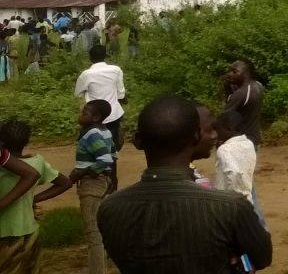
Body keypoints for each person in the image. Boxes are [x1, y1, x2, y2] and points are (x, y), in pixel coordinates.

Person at [98, 95, 272, 273]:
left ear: (138, 141)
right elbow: (261, 257)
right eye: (209, 129)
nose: (213, 135)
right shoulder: (231, 207)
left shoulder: (109, 209)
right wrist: (242, 262)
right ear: (196, 136)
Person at [0, 118, 73, 274]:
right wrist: (35, 198)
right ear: (27, 141)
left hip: (3, 235)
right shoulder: (37, 162)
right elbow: (65, 183)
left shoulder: (4, 167)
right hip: (29, 231)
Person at [69, 100, 115, 274]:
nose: (81, 114)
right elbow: (113, 155)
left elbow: (105, 160)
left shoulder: (92, 134)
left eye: (85, 112)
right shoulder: (105, 131)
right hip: (103, 182)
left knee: (93, 232)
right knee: (101, 227)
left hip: (92, 184)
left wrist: (81, 173)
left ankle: (97, 270)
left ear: (96, 117)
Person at [75, 45, 128, 152]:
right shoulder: (116, 70)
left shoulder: (86, 74)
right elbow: (121, 94)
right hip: (113, 114)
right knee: (112, 148)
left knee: (93, 146)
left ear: (90, 58)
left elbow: (78, 94)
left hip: (94, 117)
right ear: (105, 56)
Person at [213, 112, 258, 209]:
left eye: (218, 129)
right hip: (247, 199)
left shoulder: (224, 149)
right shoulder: (249, 144)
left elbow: (233, 173)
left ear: (228, 129)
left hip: (229, 204)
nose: (216, 133)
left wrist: (233, 199)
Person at [222, 60, 265, 147]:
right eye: (230, 71)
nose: (229, 74)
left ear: (246, 74)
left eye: (234, 71)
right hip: (254, 139)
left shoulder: (240, 94)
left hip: (240, 142)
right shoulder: (258, 86)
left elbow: (224, 121)